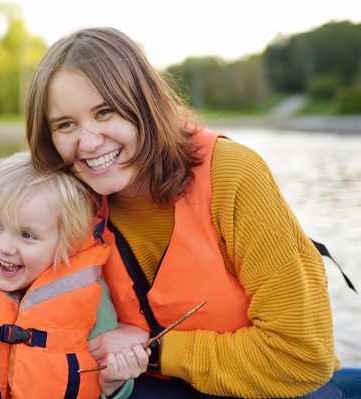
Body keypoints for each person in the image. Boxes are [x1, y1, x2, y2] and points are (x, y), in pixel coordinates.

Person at [24, 27, 344, 398]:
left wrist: (154, 350)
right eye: (66, 125)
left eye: (105, 111)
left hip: (265, 383)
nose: (90, 142)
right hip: (141, 386)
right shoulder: (60, 199)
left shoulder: (233, 174)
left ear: (145, 103)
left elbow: (303, 357)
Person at [0, 152, 150, 399]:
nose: (4, 247)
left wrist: (114, 382)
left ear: (67, 243)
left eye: (27, 235)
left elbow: (106, 386)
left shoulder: (90, 292)